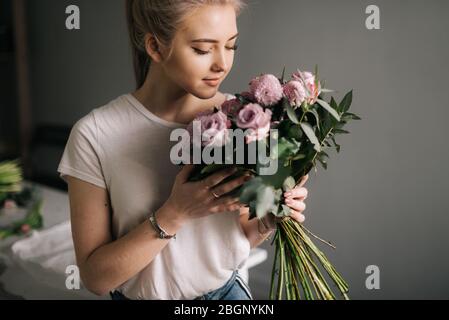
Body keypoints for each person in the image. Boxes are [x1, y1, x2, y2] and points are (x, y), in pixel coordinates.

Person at [57, 0, 309, 300]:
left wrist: (270, 218)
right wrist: (175, 213)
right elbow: (95, 278)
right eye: (203, 49)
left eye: (231, 46)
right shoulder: (95, 135)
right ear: (155, 46)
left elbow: (234, 237)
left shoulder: (243, 119)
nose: (222, 64)